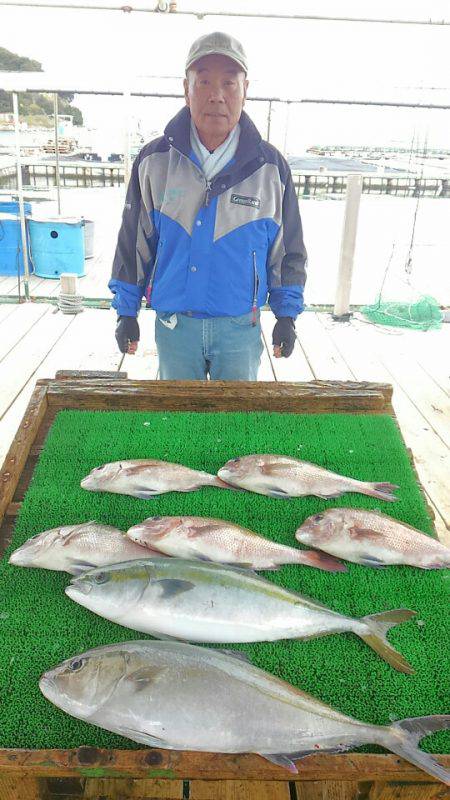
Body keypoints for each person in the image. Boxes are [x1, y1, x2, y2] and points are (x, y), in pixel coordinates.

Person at [110, 31, 307, 380]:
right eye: (203, 82)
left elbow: (287, 250)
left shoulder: (271, 168)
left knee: (236, 424)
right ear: (185, 90)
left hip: (240, 329)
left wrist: (286, 315)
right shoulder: (153, 162)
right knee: (177, 425)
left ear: (246, 90)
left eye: (229, 83)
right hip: (174, 329)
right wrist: (126, 311)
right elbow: (133, 243)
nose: (216, 95)